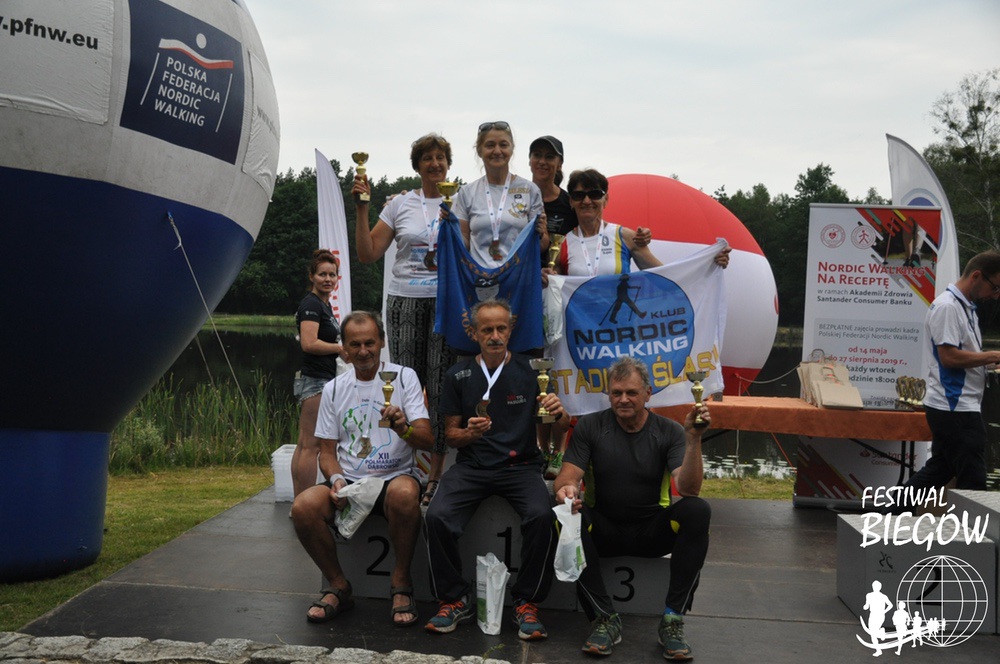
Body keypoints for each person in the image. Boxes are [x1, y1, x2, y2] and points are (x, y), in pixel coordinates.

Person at [423, 298, 569, 639]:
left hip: (521, 467)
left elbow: (559, 426)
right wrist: (470, 433)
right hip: (472, 466)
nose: (495, 336)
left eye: (501, 328)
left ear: (511, 329)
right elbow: (451, 436)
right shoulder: (458, 374)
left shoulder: (533, 372)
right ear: (473, 333)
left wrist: (559, 412)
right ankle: (454, 599)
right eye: (486, 329)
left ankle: (526, 602)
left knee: (542, 517)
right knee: (436, 516)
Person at [553, 357, 712, 660]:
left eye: (631, 393)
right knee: (567, 517)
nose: (623, 399)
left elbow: (689, 489)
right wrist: (567, 490)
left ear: (648, 394)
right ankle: (603, 618)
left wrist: (693, 440)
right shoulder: (590, 426)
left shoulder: (669, 431)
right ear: (608, 394)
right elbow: (567, 477)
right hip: (604, 530)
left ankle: (673, 620)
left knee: (697, 510)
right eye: (616, 393)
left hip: (651, 532)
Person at [291, 311, 433, 627]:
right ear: (344, 347)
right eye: (355, 344)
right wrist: (336, 480)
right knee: (302, 507)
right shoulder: (334, 388)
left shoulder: (404, 377)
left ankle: (401, 583)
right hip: (351, 482)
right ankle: (338, 586)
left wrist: (403, 427)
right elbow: (327, 453)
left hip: (395, 477)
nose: (364, 351)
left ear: (382, 342)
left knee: (404, 493)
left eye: (370, 342)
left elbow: (427, 439)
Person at [352, 133, 457, 507]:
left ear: (448, 164)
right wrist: (362, 209)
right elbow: (368, 254)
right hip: (405, 302)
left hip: (445, 302)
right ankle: (405, 469)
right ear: (417, 166)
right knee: (406, 386)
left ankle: (436, 473)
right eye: (428, 158)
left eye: (441, 157)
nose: (435, 163)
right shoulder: (399, 204)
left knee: (441, 387)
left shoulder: (460, 202)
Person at [903, 250, 1000, 493]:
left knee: (939, 470)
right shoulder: (947, 307)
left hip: (957, 406)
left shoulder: (965, 308)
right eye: (995, 287)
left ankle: (887, 511)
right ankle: (972, 524)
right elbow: (949, 358)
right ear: (976, 276)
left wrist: (988, 364)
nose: (996, 295)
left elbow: (963, 356)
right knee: (973, 480)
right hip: (954, 407)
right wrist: (994, 355)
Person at [552, 168, 730, 276]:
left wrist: (709, 264)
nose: (587, 201)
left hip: (619, 326)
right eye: (579, 195)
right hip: (579, 327)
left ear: (606, 200)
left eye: (594, 194)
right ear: (571, 201)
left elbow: (665, 274)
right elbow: (554, 286)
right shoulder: (562, 244)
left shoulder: (624, 236)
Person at [453, 121, 547, 268]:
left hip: (517, 276)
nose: (497, 151)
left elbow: (542, 245)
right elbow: (463, 244)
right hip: (479, 277)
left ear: (511, 149)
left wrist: (540, 235)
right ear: (479, 150)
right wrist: (450, 229)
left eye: (503, 145)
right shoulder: (467, 192)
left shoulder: (529, 190)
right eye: (490, 145)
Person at [291, 250, 344, 497]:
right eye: (322, 274)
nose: (328, 279)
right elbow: (309, 343)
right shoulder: (312, 304)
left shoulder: (323, 305)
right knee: (310, 446)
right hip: (315, 381)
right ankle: (303, 503)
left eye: (332, 275)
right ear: (311, 276)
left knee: (305, 443)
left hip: (320, 379)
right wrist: (339, 348)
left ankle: (299, 501)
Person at [528, 135, 577, 237]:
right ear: (529, 160)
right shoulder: (518, 198)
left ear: (560, 164)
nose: (542, 162)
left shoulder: (569, 204)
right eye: (537, 155)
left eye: (549, 157)